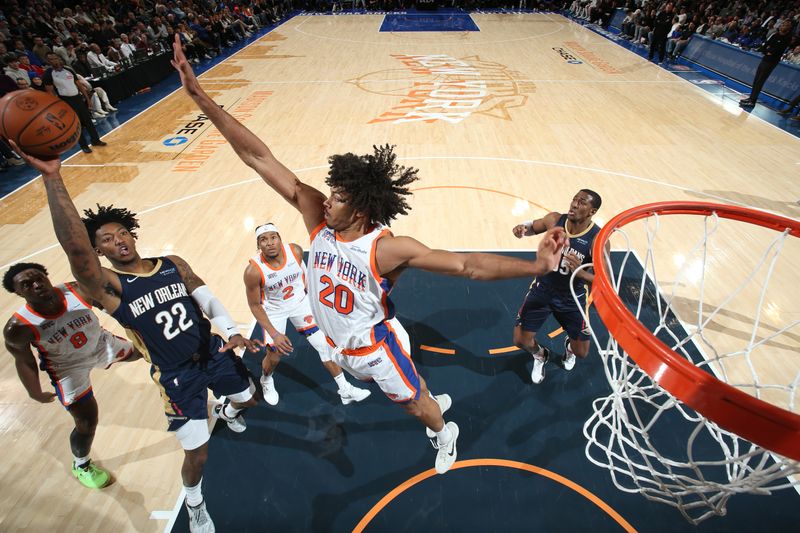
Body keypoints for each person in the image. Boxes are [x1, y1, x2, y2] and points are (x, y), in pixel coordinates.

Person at [171, 34, 567, 475]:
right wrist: (200, 97)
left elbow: (466, 265)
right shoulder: (319, 223)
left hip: (374, 346)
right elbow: (259, 158)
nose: (326, 201)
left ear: (359, 207)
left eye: (337, 197)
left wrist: (535, 265)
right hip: (338, 344)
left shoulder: (384, 248)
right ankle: (423, 394)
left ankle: (443, 431)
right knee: (404, 389)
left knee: (416, 407)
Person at [9, 147, 262, 533]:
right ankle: (195, 502)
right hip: (177, 376)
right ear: (99, 252)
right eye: (107, 240)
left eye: (123, 232)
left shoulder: (173, 264)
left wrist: (230, 331)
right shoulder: (109, 288)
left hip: (214, 352)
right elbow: (76, 250)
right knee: (197, 454)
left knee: (249, 398)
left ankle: (226, 410)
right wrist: (52, 177)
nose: (119, 240)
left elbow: (205, 297)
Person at [3, 262, 141, 489]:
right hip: (67, 368)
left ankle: (181, 392)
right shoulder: (18, 327)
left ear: (47, 275)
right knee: (86, 422)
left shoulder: (78, 290)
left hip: (100, 344)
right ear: (17, 293)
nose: (37, 285)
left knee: (147, 351)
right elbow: (24, 361)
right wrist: (34, 391)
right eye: (27, 285)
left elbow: (113, 306)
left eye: (39, 278)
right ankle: (82, 465)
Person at [245, 223, 371, 406]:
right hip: (274, 310)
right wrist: (274, 334)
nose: (270, 243)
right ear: (259, 245)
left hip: (300, 303)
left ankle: (345, 390)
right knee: (275, 355)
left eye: (273, 237)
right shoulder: (253, 271)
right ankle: (266, 379)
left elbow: (307, 278)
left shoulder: (295, 252)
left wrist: (317, 304)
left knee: (324, 345)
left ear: (280, 238)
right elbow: (255, 305)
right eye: (264, 240)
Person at [511, 190, 608, 384]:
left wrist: (579, 273)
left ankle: (569, 348)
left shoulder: (597, 240)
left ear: (592, 211)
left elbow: (605, 282)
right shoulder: (555, 219)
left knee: (581, 353)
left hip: (572, 297)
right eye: (574, 199)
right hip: (542, 290)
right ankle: (540, 355)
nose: (574, 204)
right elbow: (533, 226)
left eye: (582, 203)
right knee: (520, 340)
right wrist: (522, 229)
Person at [41, 52, 107, 154]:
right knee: (77, 124)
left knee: (88, 121)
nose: (54, 60)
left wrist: (87, 98)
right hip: (66, 101)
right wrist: (58, 106)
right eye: (51, 59)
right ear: (48, 61)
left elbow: (79, 85)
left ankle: (96, 140)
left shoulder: (68, 69)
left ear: (59, 58)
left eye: (55, 58)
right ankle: (84, 146)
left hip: (78, 98)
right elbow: (50, 92)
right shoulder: (48, 74)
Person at [740, 20, 794, 107]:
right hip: (765, 59)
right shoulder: (775, 35)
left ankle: (753, 101)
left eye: (786, 25)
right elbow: (765, 46)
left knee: (760, 81)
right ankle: (750, 98)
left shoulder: (787, 38)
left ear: (789, 28)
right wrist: (768, 50)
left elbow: (778, 50)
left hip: (772, 62)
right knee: (756, 80)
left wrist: (770, 50)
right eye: (783, 24)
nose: (783, 26)